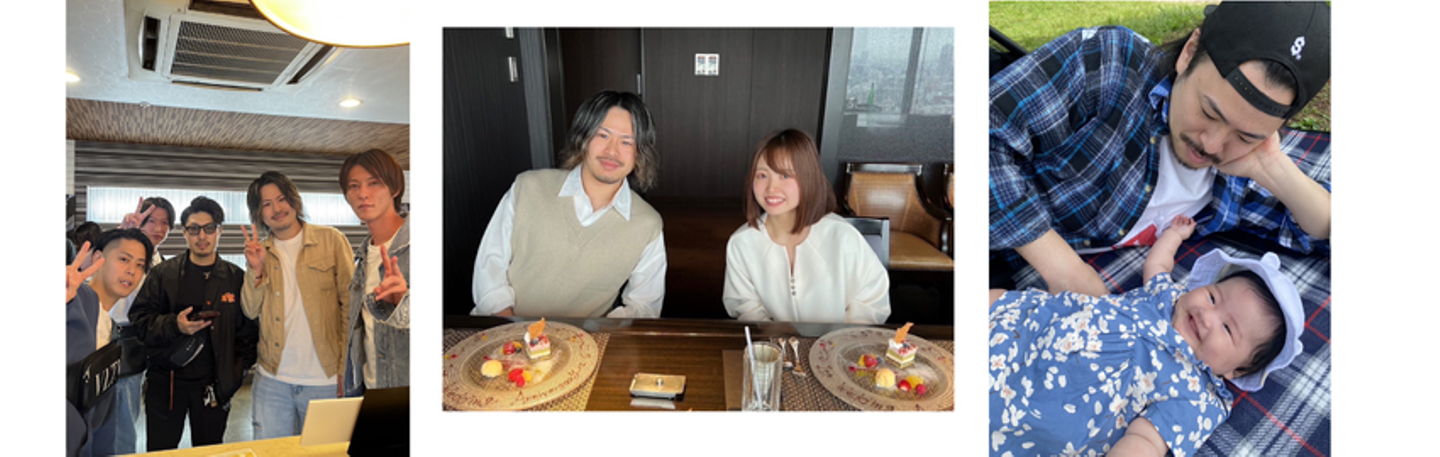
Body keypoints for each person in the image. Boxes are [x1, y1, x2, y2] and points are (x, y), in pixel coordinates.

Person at [988, 2, 1331, 297]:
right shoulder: (1107, 66)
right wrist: (1066, 271)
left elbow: (1322, 232)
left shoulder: (1241, 170)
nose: (1212, 145)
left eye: (1245, 135)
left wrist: (1272, 166)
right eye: (1209, 112)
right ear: (1190, 52)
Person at [987, 215, 1303, 455]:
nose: (1207, 316)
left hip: (1056, 401)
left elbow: (1147, 440)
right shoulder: (1168, 297)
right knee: (999, 299)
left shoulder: (1198, 395)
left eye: (1227, 328)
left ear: (1238, 370)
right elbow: (1159, 264)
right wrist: (1174, 235)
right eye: (1212, 297)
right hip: (1038, 328)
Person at [471, 90, 666, 318]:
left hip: (584, 339)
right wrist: (513, 328)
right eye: (603, 135)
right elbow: (490, 267)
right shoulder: (528, 187)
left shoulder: (647, 224)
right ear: (582, 138)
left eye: (626, 142)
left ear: (640, 154)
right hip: (503, 328)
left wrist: (596, 333)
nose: (612, 151)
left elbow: (644, 306)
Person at [128, 196, 258, 451]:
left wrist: (235, 374)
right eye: (194, 229)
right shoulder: (163, 274)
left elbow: (248, 333)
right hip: (166, 385)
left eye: (209, 228)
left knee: (210, 451)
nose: (202, 236)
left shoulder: (235, 278)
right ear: (185, 233)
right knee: (161, 452)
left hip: (214, 387)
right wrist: (174, 325)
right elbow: (140, 321)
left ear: (219, 231)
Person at [722, 129, 890, 324]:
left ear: (808, 178)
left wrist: (836, 338)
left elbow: (872, 302)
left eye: (785, 176)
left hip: (838, 341)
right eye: (762, 175)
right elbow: (746, 308)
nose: (771, 188)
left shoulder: (842, 236)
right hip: (774, 342)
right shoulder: (742, 243)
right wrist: (778, 338)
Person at [240, 171, 355, 439]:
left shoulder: (331, 240)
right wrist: (256, 269)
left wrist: (344, 368)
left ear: (294, 200)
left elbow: (351, 308)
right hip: (272, 380)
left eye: (282, 199)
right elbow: (249, 309)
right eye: (267, 204)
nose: (277, 209)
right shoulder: (261, 251)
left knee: (325, 453)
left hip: (325, 380)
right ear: (259, 213)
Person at [66, 229, 153, 457]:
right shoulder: (75, 302)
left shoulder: (106, 323)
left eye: (140, 265)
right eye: (124, 259)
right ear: (97, 258)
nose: (131, 270)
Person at [340, 149, 410, 396]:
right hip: (370, 387)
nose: (363, 194)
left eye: (374, 183)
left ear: (395, 188)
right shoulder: (363, 255)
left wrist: (402, 303)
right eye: (354, 186)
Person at [110, 196, 174, 454]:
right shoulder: (123, 253)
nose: (158, 228)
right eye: (151, 221)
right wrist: (121, 233)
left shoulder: (162, 262)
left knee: (126, 419)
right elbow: (97, 266)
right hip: (113, 341)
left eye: (165, 222)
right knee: (113, 423)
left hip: (138, 348)